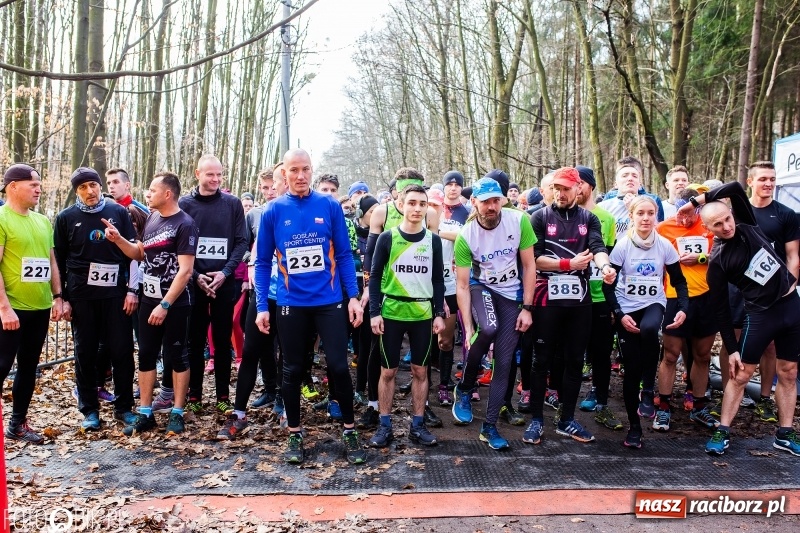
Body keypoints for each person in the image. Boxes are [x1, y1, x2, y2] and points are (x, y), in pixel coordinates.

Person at [254, 149, 365, 465]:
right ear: (284, 174)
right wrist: (263, 305)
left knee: (339, 366)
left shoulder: (329, 205)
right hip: (291, 303)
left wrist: (353, 297)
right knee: (292, 368)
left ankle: (349, 429)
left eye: (305, 169)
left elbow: (343, 254)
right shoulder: (273, 211)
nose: (300, 176)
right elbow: (262, 262)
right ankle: (294, 432)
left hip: (329, 301)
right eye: (294, 170)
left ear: (311, 171)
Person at [679, 182, 800, 456]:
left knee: (789, 372)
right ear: (708, 230)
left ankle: (784, 433)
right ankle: (723, 430)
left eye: (727, 219)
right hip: (760, 316)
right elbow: (720, 309)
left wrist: (696, 202)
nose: (726, 226)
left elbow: (733, 187)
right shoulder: (718, 261)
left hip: (791, 306)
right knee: (741, 374)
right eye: (718, 225)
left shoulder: (746, 224)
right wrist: (731, 349)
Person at [523, 167, 616, 446]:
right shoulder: (538, 216)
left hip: (580, 298)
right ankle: (537, 420)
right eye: (556, 188)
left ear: (579, 189)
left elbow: (598, 248)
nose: (560, 193)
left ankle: (567, 419)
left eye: (565, 188)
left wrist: (607, 267)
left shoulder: (589, 219)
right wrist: (567, 264)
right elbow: (534, 260)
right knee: (542, 360)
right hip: (547, 297)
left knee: (575, 360)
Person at [103, 172, 197, 436]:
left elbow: (186, 271)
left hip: (174, 304)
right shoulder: (153, 218)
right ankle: (145, 412)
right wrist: (118, 239)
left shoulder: (185, 224)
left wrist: (165, 305)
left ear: (168, 194)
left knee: (176, 355)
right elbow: (140, 252)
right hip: (148, 299)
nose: (148, 194)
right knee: (145, 353)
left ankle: (177, 411)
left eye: (153, 190)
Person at [156, 156, 247, 415]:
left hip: (223, 283)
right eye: (210, 175)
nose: (216, 179)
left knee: (221, 340)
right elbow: (176, 244)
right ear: (198, 174)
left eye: (219, 175)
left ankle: (222, 395)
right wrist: (196, 276)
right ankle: (194, 394)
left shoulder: (232, 204)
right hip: (193, 284)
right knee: (194, 342)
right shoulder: (184, 204)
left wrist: (225, 273)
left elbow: (241, 242)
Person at [451, 177, 536, 450]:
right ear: (474, 203)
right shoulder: (466, 235)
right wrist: (466, 328)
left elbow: (529, 266)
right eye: (485, 201)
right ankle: (464, 387)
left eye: (495, 200)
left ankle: (489, 426)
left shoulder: (519, 220)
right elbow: (462, 285)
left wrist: (528, 307)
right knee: (487, 329)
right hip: (481, 287)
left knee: (505, 359)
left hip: (511, 293)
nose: (491, 207)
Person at [54, 168, 138, 431]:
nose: (89, 191)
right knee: (85, 353)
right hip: (82, 296)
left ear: (100, 186)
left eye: (93, 185)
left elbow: (134, 253)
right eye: (82, 187)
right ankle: (89, 410)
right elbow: (58, 260)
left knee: (122, 351)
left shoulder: (119, 212)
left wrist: (132, 290)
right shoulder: (66, 217)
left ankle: (124, 408)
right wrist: (62, 298)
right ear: (76, 191)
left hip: (115, 294)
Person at [603, 195, 688, 449]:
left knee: (651, 328)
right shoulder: (621, 246)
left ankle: (649, 390)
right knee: (631, 369)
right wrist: (619, 314)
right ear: (631, 217)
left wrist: (684, 308)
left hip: (653, 304)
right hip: (626, 308)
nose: (646, 218)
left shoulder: (664, 246)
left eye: (651, 213)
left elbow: (679, 282)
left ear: (656, 217)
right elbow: (608, 288)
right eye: (640, 213)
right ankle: (635, 427)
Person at [361, 168, 441, 430]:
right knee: (388, 372)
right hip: (392, 311)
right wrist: (374, 312)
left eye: (422, 204)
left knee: (420, 372)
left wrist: (438, 313)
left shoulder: (434, 241)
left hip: (422, 314)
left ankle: (418, 424)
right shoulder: (387, 237)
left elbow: (438, 280)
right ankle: (384, 425)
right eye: (412, 203)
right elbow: (373, 277)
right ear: (401, 205)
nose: (417, 209)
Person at [0, 164, 63, 444]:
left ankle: (18, 424)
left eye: (39, 184)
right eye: (32, 184)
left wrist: (58, 297)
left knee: (28, 367)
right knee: (2, 366)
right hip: (10, 309)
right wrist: (3, 307)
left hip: (39, 308)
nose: (38, 189)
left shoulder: (42, 221)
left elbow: (50, 261)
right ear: (12, 186)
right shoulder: (1, 218)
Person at [653, 187, 719, 432]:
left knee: (702, 355)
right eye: (680, 213)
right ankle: (664, 407)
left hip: (706, 297)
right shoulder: (664, 228)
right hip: (675, 298)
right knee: (670, 355)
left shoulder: (710, 226)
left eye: (689, 213)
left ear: (698, 208)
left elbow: (725, 255)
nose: (685, 219)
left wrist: (702, 258)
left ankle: (699, 406)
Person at [574, 166, 624, 431]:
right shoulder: (564, 216)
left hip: (599, 295)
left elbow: (611, 258)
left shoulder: (606, 218)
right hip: (572, 297)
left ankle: (600, 398)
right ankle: (563, 402)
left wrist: (613, 300)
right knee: (571, 349)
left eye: (580, 183)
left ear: (590, 186)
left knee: (601, 351)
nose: (576, 188)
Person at [435, 171, 470, 407]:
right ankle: (423, 380)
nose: (454, 188)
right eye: (450, 184)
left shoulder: (466, 212)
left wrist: (439, 232)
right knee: (426, 339)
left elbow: (466, 238)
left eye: (458, 184)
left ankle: (444, 385)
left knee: (446, 341)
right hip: (427, 281)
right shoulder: (432, 208)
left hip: (453, 282)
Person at [598, 156, 665, 241]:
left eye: (634, 176)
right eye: (625, 176)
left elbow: (656, 236)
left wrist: (635, 207)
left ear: (640, 183)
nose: (630, 179)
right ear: (615, 184)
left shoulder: (650, 205)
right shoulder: (603, 207)